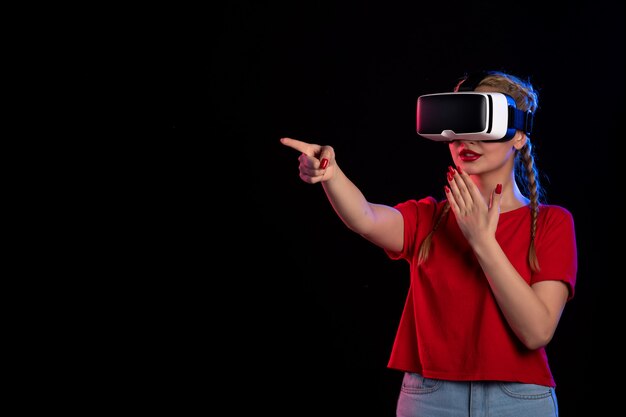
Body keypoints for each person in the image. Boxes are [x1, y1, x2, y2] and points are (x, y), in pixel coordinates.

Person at [280, 70, 577, 417]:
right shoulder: (429, 220)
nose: (466, 141)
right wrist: (331, 175)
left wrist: (482, 240)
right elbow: (365, 217)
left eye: (479, 126)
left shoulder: (551, 223)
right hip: (430, 397)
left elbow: (536, 331)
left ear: (519, 136)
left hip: (520, 399)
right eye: (457, 129)